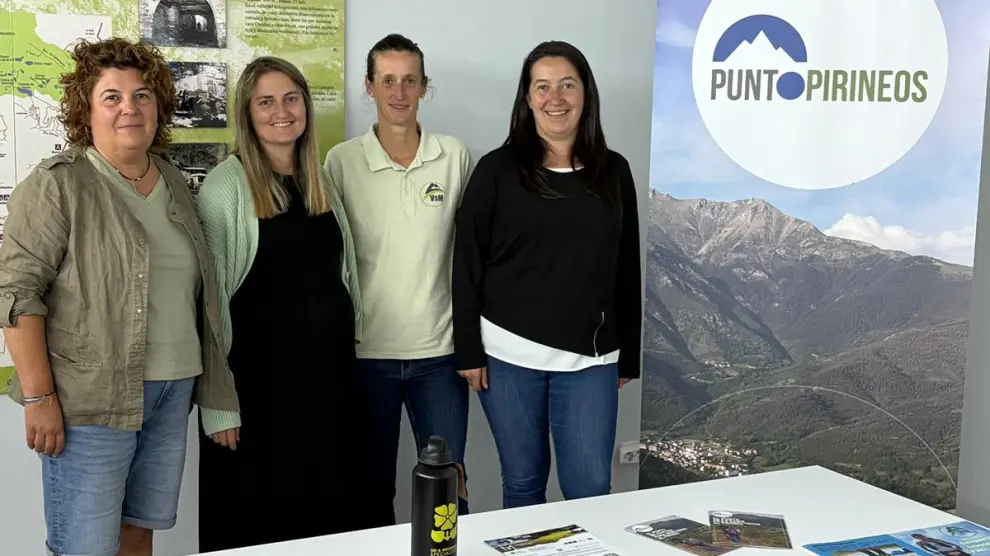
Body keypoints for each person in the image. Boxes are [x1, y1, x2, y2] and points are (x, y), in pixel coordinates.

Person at [0, 37, 239, 556]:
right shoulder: (57, 185)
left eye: (142, 95)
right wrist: (39, 398)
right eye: (112, 97)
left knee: (139, 533)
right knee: (85, 546)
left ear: (159, 107)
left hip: (173, 391)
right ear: (86, 110)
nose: (129, 107)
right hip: (91, 401)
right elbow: (18, 294)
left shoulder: (172, 179)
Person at [451, 40, 643, 509]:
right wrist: (468, 349)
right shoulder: (496, 171)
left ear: (586, 93)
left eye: (567, 85)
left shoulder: (614, 171)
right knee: (523, 482)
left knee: (590, 489)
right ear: (527, 97)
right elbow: (467, 262)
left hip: (591, 361)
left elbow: (626, 266)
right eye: (542, 86)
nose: (555, 98)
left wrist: (629, 358)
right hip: (507, 355)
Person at [194, 55, 367, 551]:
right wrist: (218, 406)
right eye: (265, 102)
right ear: (247, 114)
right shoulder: (226, 186)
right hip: (257, 396)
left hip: (327, 389)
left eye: (291, 99)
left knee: (326, 520)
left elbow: (343, 275)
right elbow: (208, 308)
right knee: (257, 524)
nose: (281, 112)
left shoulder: (319, 179)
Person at [323, 33, 472, 525]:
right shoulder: (341, 162)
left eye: (410, 80)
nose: (399, 92)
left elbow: (474, 256)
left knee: (448, 486)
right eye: (387, 80)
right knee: (369, 490)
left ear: (425, 86)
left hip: (440, 356)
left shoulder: (454, 156)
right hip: (366, 356)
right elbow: (330, 258)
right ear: (369, 87)